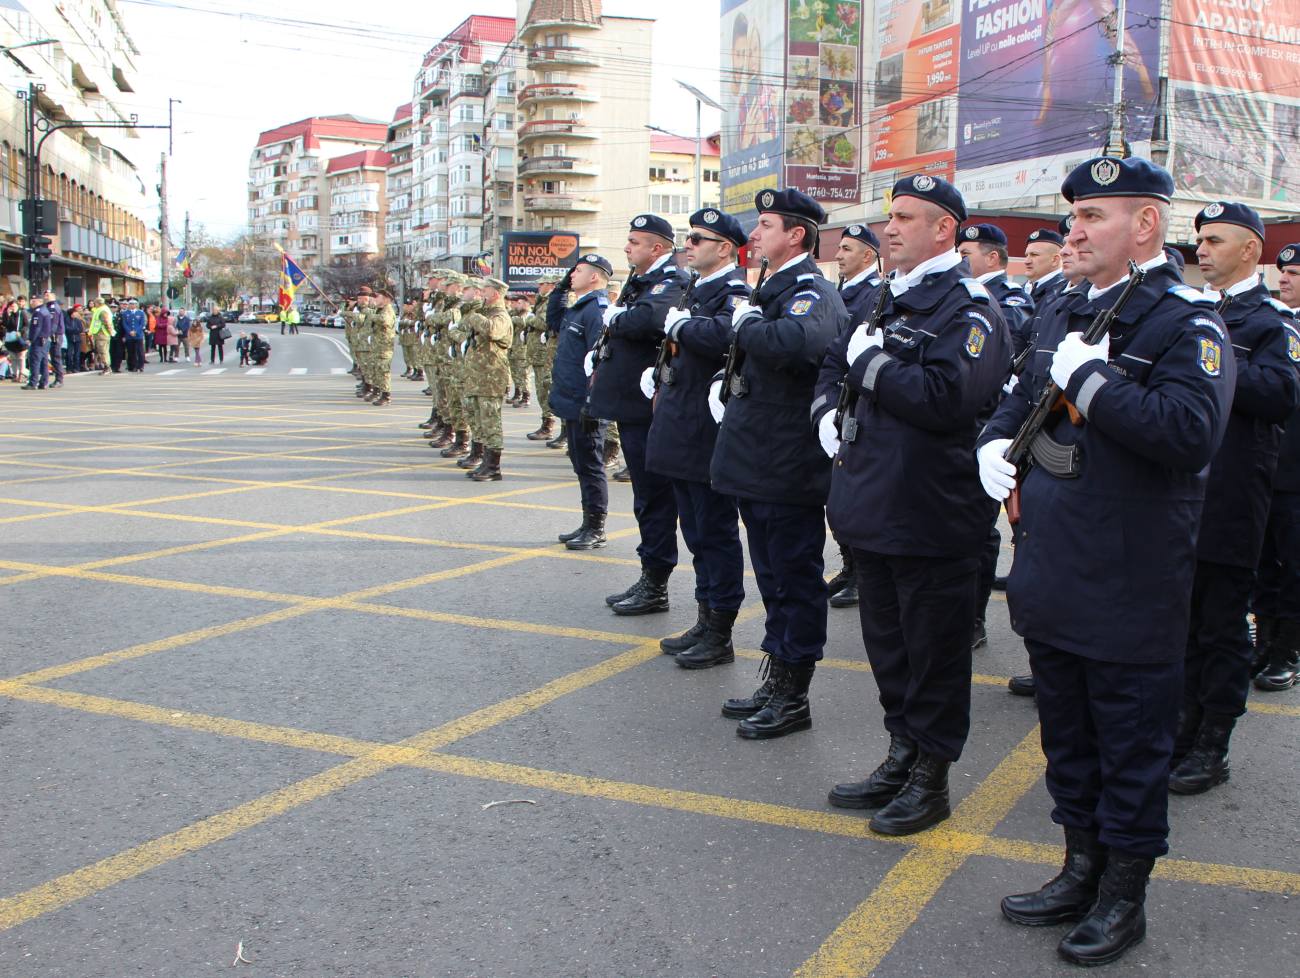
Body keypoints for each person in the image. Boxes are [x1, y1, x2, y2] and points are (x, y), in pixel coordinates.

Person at [976, 156, 1234, 966]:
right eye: (1073, 218)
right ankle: (1078, 868)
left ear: (1146, 225)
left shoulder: (1185, 322)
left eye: (1091, 218)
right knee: (1069, 739)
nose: (1071, 233)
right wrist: (991, 440)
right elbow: (1020, 397)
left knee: (1131, 749)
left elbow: (1189, 434)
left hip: (1131, 579)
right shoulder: (1062, 307)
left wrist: (1092, 381)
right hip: (1053, 569)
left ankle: (1124, 896)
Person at [817, 175, 1011, 834]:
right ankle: (900, 753)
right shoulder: (880, 296)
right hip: (870, 508)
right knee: (890, 651)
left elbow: (945, 398)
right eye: (888, 216)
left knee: (934, 657)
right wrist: (825, 409)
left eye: (905, 217)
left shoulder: (970, 308)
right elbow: (832, 362)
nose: (888, 228)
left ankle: (932, 776)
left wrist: (870, 368)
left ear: (944, 230)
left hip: (930, 514)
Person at [1170, 202, 1300, 796]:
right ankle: (1181, 725)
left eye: (1216, 239)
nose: (1203, 248)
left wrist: (1209, 369)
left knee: (1220, 629)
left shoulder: (1273, 322)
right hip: (1176, 495)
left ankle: (1211, 743)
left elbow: (1279, 393)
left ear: (1251, 249)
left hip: (1230, 497)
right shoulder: (1188, 311)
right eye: (1199, 238)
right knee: (1179, 625)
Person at [710, 187, 847, 738]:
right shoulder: (772, 287)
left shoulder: (810, 289)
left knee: (794, 578)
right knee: (772, 576)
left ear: (796, 234)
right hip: (760, 460)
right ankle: (777, 677)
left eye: (765, 225)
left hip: (786, 464)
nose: (754, 235)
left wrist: (745, 324)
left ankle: (795, 693)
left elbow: (797, 342)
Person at [641, 208, 751, 667]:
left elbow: (727, 335)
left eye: (698, 238)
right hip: (679, 424)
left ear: (724, 248)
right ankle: (706, 617)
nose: (688, 244)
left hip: (705, 432)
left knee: (714, 531)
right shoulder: (695, 286)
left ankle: (720, 628)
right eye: (688, 237)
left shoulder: (735, 291)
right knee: (695, 531)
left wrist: (681, 326)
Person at [587, 214, 685, 616]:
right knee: (646, 498)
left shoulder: (671, 281)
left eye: (635, 242)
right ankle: (650, 575)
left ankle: (656, 582)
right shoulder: (640, 280)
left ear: (657, 248)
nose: (627, 248)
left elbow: (648, 318)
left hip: (647, 409)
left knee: (654, 499)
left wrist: (617, 318)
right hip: (630, 407)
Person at [826, 223, 885, 610]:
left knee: (853, 492)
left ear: (868, 256)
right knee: (837, 494)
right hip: (837, 396)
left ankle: (860, 573)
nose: (839, 254)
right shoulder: (840, 291)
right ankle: (850, 566)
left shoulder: (875, 293)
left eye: (847, 249)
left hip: (858, 399)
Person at [1252, 244, 1300, 693]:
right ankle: (1264, 641)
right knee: (1263, 561)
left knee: (1294, 566)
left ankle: (1288, 649)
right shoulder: (1272, 322)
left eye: (1295, 273)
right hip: (1267, 466)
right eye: (1283, 271)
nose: (1284, 278)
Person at [549, 254, 612, 549]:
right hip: (570, 401)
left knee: (590, 465)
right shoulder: (579, 308)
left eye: (578, 271)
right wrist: (561, 288)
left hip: (585, 403)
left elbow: (599, 361)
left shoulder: (596, 311)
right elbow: (552, 321)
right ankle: (587, 522)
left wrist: (592, 401)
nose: (572, 275)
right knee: (580, 463)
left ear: (595, 277)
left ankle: (596, 526)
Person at [460, 277, 513, 480]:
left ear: (496, 294)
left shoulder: (501, 316)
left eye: (486, 290)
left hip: (492, 380)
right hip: (477, 378)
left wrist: (472, 314)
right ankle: (482, 459)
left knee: (491, 422)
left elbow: (491, 330)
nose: (482, 293)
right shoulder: (483, 314)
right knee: (477, 420)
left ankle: (494, 466)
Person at [525, 277, 560, 441]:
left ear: (551, 285)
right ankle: (547, 423)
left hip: (547, 354)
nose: (539, 287)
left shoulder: (552, 300)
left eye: (542, 284)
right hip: (539, 353)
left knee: (550, 390)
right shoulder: (542, 301)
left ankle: (553, 427)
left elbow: (546, 323)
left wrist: (530, 319)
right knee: (541, 391)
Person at [363, 290, 396, 405]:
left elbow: (384, 320)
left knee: (383, 371)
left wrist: (371, 315)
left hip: (384, 348)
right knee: (376, 370)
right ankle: (377, 391)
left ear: (386, 299)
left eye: (379, 297)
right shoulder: (380, 310)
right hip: (377, 346)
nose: (376, 299)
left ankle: (386, 395)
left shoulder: (388, 310)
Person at [22, 292, 59, 390]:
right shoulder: (45, 310)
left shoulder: (38, 312)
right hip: (45, 340)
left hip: (38, 340)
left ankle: (33, 383)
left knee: (35, 361)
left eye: (34, 301)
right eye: (31, 300)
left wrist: (31, 339)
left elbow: (36, 328)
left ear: (40, 301)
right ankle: (43, 382)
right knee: (43, 362)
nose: (32, 302)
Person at [1023, 228, 1068, 307]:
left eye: (1034, 255)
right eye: (1026, 255)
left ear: (1055, 260)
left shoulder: (1063, 293)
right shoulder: (1021, 289)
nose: (1027, 261)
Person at [506, 292, 531, 407]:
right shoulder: (513, 313)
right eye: (514, 303)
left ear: (525, 303)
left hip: (522, 350)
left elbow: (523, 322)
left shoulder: (527, 314)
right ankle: (518, 393)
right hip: (513, 349)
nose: (515, 305)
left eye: (518, 303)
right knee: (515, 374)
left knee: (524, 374)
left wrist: (513, 318)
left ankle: (526, 396)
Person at [88, 298, 114, 374]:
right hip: (99, 334)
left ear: (98, 303)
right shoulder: (99, 310)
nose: (94, 304)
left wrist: (110, 332)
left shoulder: (102, 311)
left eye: (95, 303)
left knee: (103, 351)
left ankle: (107, 367)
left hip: (102, 334)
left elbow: (106, 322)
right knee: (102, 351)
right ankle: (106, 367)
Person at [120, 299, 146, 371]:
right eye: (131, 304)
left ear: (136, 305)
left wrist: (136, 331)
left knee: (140, 351)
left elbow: (142, 324)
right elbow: (124, 324)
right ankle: (132, 366)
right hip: (129, 335)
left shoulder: (140, 313)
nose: (132, 305)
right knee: (131, 351)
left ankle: (140, 366)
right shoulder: (125, 313)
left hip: (138, 335)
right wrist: (129, 332)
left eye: (134, 304)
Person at [63, 303, 84, 373]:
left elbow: (80, 329)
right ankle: (69, 368)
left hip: (77, 339)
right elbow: (67, 329)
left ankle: (76, 368)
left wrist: (74, 330)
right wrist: (75, 330)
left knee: (77, 354)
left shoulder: (77, 320)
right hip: (69, 339)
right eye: (74, 313)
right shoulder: (66, 320)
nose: (75, 314)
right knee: (69, 354)